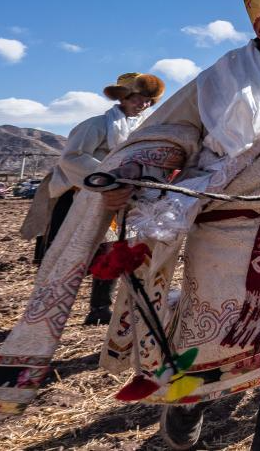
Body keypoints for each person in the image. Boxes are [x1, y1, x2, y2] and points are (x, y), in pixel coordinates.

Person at [0, 0, 260, 451]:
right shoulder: (216, 83)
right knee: (213, 348)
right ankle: (187, 404)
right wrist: (134, 171)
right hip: (227, 239)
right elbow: (167, 136)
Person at [21, 72, 164, 325]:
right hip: (80, 195)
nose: (143, 104)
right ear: (124, 98)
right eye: (138, 98)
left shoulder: (144, 129)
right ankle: (43, 313)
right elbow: (72, 158)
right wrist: (111, 177)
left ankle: (99, 308)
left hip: (118, 198)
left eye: (147, 100)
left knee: (112, 250)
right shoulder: (96, 125)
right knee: (68, 253)